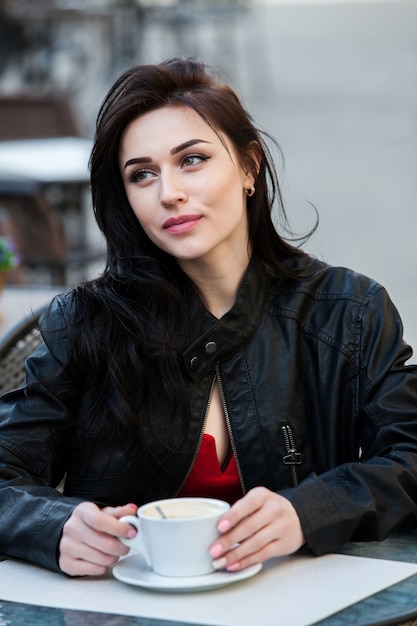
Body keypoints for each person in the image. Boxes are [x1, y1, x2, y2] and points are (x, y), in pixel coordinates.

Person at [0, 57, 416, 578]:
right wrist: (52, 525)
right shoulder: (85, 323)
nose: (168, 192)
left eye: (191, 160)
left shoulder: (348, 312)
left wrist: (309, 510)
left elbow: (409, 455)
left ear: (248, 166)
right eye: (142, 174)